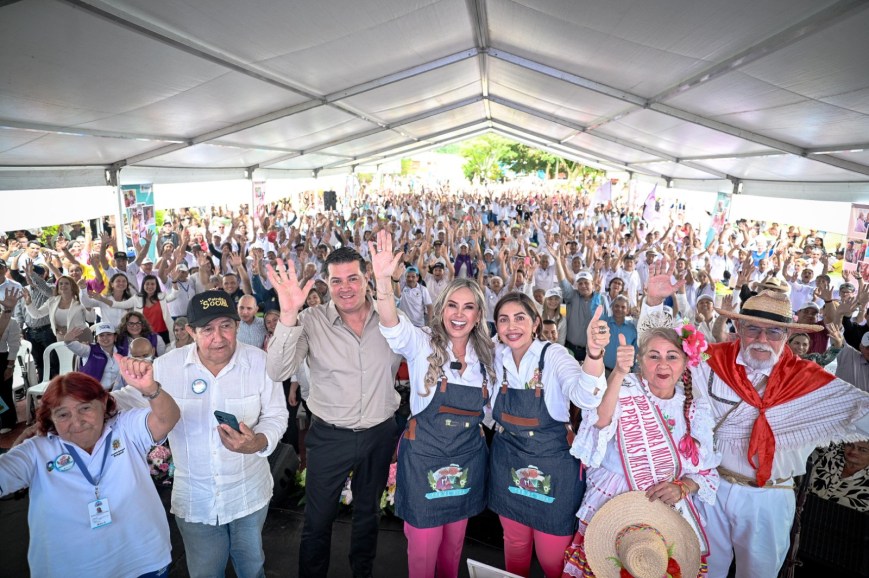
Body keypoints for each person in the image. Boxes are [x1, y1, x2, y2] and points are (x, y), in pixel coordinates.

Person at [644, 264, 869, 578]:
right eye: (753, 328)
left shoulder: (811, 383)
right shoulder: (711, 361)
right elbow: (658, 354)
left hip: (770, 499)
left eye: (774, 331)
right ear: (739, 328)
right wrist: (654, 303)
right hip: (712, 489)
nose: (762, 338)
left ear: (789, 334)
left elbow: (863, 411)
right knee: (701, 570)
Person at [112, 290, 288, 578]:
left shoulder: (259, 362)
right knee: (205, 572)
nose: (218, 337)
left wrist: (258, 441)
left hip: (248, 494)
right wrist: (78, 402)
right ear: (191, 332)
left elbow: (276, 415)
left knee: (252, 568)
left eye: (225, 326)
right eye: (207, 329)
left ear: (238, 326)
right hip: (196, 499)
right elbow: (129, 398)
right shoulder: (168, 366)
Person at [265, 247, 403, 578]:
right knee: (317, 521)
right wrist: (287, 316)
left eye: (353, 278)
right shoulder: (310, 321)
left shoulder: (392, 320)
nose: (345, 287)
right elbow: (277, 370)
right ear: (327, 283)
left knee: (368, 515)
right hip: (329, 437)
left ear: (367, 278)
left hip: (379, 433)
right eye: (337, 280)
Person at [562, 304, 720, 577]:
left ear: (685, 364)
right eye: (653, 356)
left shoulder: (696, 409)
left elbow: (706, 469)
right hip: (614, 502)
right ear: (639, 359)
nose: (662, 365)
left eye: (672, 356)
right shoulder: (624, 388)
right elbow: (599, 422)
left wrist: (683, 487)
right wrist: (619, 373)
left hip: (666, 512)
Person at [372, 229, 495, 578]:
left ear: (477, 314)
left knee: (453, 549)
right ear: (441, 309)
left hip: (466, 460)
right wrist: (383, 281)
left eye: (468, 307)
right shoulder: (422, 342)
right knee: (423, 551)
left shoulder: (488, 356)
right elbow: (390, 322)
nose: (459, 315)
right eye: (452, 305)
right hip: (424, 459)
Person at [0, 367, 179, 577]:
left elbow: (167, 419)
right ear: (51, 418)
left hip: (143, 562)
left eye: (85, 408)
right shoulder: (37, 450)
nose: (77, 422)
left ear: (103, 404)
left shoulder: (123, 428)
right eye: (63, 414)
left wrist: (151, 389)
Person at [487, 292, 608, 578]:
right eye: (503, 320)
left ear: (535, 323)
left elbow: (585, 396)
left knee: (552, 557)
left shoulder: (552, 354)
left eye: (520, 318)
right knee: (514, 547)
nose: (511, 326)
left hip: (553, 467)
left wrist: (593, 353)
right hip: (509, 462)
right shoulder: (495, 356)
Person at [63, 323, 120, 391]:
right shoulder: (89, 350)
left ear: (115, 337)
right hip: (92, 393)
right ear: (97, 339)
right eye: (101, 335)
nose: (105, 338)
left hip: (115, 392)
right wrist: (68, 341)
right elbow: (75, 346)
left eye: (109, 334)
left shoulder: (121, 352)